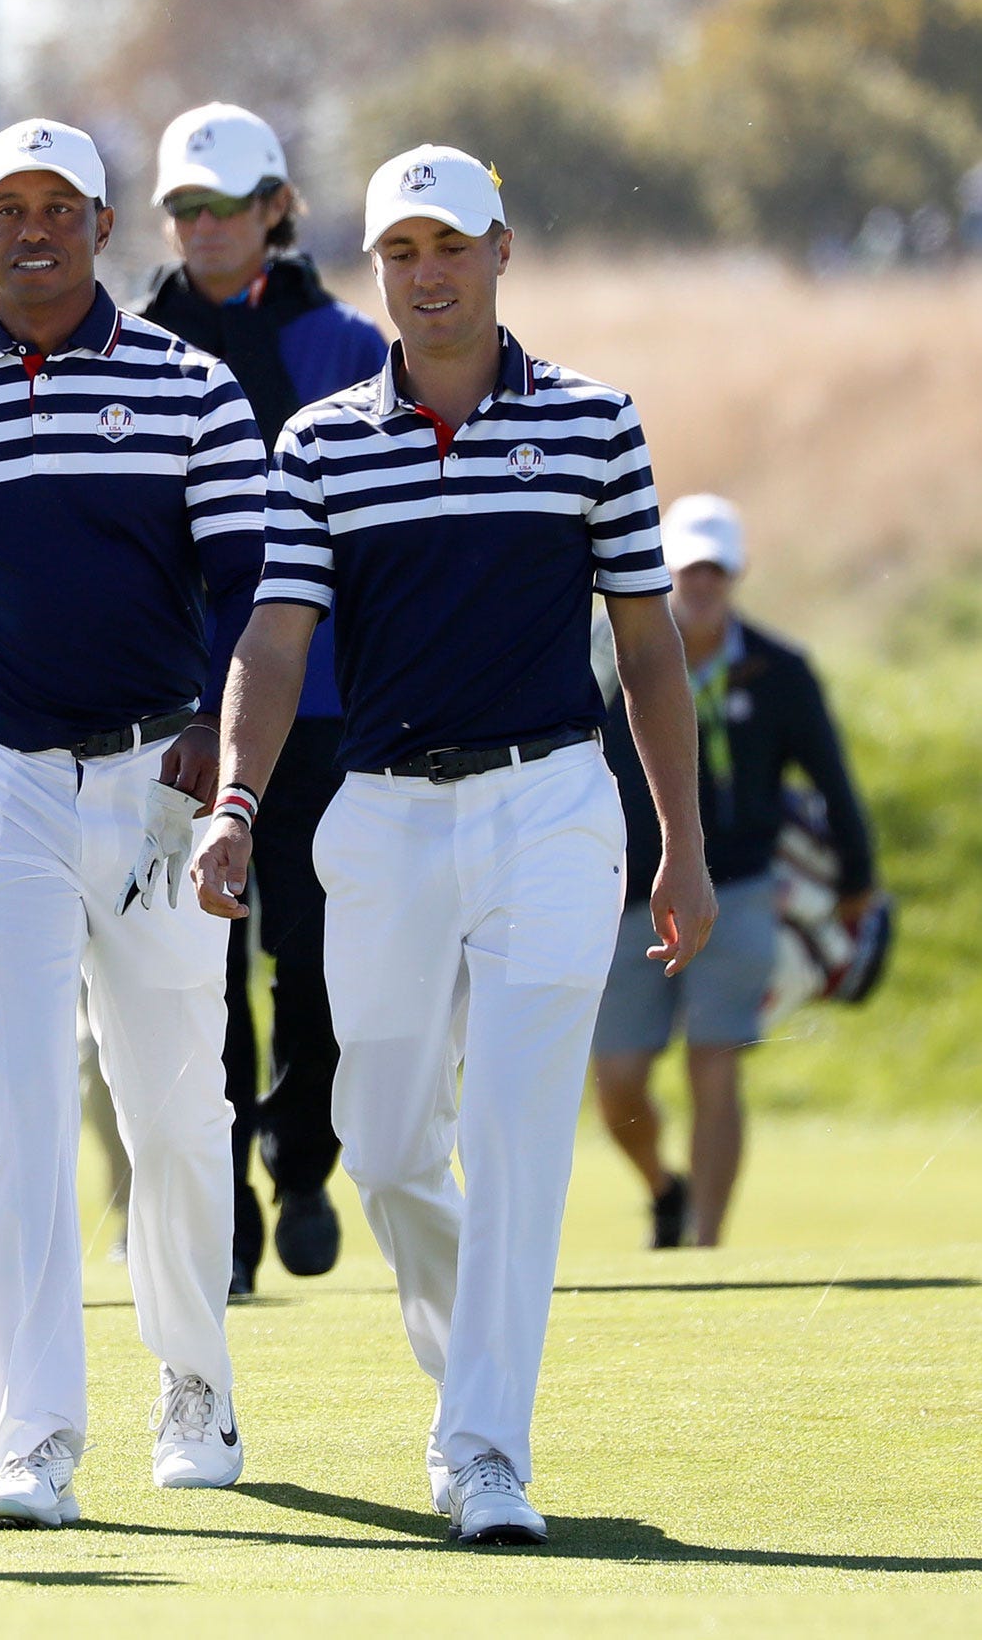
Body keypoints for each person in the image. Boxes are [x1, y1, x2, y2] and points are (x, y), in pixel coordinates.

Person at [192, 145, 716, 1547]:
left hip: (553, 807)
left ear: (501, 252)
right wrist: (238, 802)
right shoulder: (319, 443)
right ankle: (467, 1358)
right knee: (379, 1141)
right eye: (402, 253)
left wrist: (683, 842)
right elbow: (275, 640)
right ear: (377, 270)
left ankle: (484, 1446)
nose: (429, 276)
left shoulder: (598, 424)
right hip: (383, 820)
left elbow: (648, 650)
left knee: (519, 1134)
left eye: (452, 247)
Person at [0, 119, 267, 1529]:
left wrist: (218, 755)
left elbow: (244, 597)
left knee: (174, 1107)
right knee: (15, 1114)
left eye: (59, 205)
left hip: (153, 781)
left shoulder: (193, 392)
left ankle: (194, 1378)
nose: (32, 227)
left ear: (103, 227)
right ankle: (33, 1435)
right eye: (5, 208)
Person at [129, 101, 388, 1294]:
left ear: (275, 209)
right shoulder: (127, 348)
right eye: (184, 207)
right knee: (203, 970)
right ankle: (225, 1209)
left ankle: (303, 1152)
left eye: (225, 206)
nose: (203, 227)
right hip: (185, 707)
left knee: (319, 958)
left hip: (326, 699)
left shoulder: (340, 345)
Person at [591, 493, 876, 1249]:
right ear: (664, 570)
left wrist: (858, 881)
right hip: (625, 894)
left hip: (740, 886)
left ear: (735, 573)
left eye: (715, 570)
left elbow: (830, 777)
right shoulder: (608, 658)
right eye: (688, 569)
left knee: (714, 1065)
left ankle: (704, 1250)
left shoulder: (777, 670)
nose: (702, 584)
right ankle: (664, 1188)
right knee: (616, 1079)